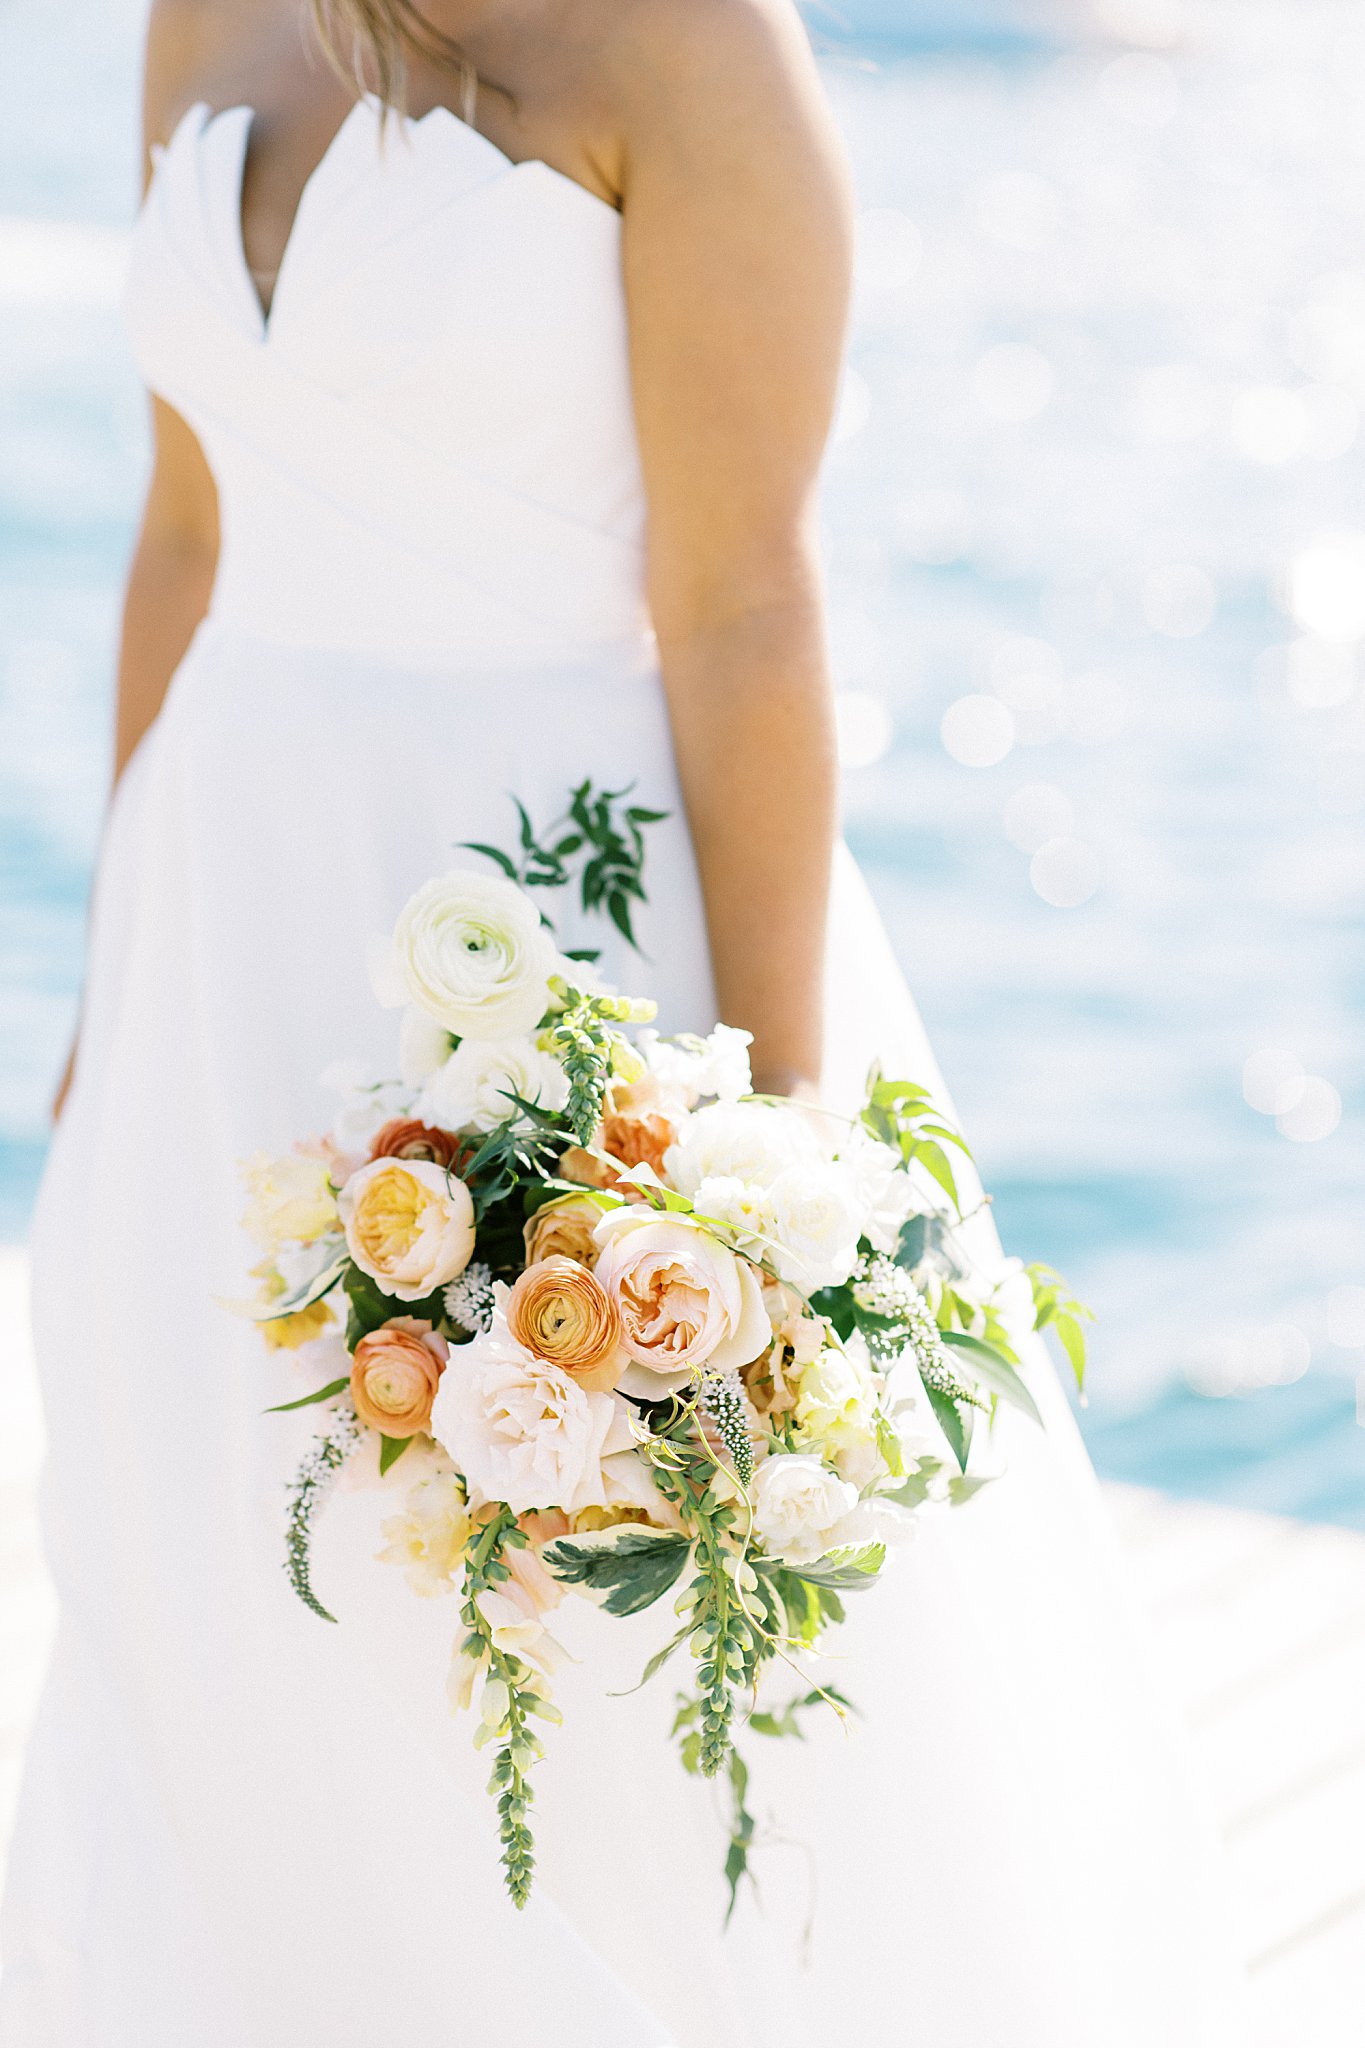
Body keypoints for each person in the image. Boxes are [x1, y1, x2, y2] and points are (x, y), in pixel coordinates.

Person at [1, 2, 1240, 2042]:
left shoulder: (689, 48)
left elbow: (746, 601)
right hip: (216, 928)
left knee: (567, 1643)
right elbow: (187, 528)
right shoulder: (207, 10)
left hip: (552, 939)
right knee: (219, 1566)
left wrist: (767, 1162)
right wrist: (108, 985)